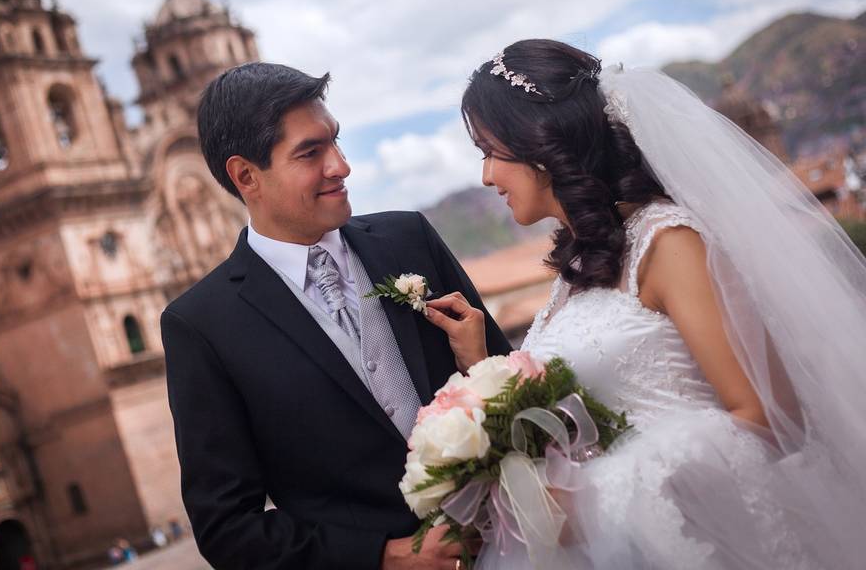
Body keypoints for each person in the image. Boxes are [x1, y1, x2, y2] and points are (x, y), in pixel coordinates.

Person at [424, 39, 866, 568]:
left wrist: (595, 498)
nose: (486, 176)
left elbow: (769, 417)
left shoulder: (668, 242)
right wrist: (481, 369)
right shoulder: (578, 269)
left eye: (491, 152)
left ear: (541, 144)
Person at [161, 62, 512, 569]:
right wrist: (385, 558)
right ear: (245, 176)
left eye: (335, 143)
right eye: (311, 153)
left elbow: (510, 384)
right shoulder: (201, 325)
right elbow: (226, 527)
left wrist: (478, 363)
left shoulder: (409, 239)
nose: (341, 166)